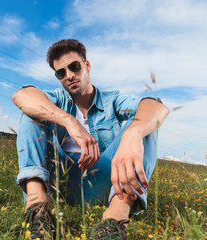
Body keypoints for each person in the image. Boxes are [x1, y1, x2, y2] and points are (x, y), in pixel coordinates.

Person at [12, 39, 169, 239]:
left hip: (103, 180)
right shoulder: (58, 99)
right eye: (61, 73)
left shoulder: (112, 100)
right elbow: (22, 95)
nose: (69, 76)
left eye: (74, 67)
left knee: (142, 122)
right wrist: (69, 121)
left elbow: (157, 107)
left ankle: (113, 221)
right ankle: (37, 213)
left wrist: (134, 133)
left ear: (87, 66)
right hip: (60, 180)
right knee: (33, 112)